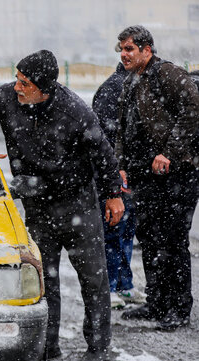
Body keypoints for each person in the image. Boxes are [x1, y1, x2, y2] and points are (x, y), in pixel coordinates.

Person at [0, 50, 124, 361]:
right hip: (38, 206)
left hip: (78, 203)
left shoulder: (75, 112)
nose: (17, 86)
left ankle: (99, 346)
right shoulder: (7, 97)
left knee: (93, 279)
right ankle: (48, 344)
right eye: (17, 78)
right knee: (44, 279)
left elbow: (103, 154)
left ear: (44, 88)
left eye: (25, 83)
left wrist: (113, 195)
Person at [115, 25, 199, 331]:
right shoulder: (131, 81)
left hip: (177, 175)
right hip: (145, 176)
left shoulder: (169, 74)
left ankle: (178, 308)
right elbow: (124, 127)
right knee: (149, 239)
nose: (123, 54)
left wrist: (171, 152)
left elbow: (193, 111)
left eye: (128, 49)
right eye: (121, 49)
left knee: (173, 241)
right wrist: (122, 164)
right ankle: (157, 302)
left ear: (146, 49)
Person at [92, 63, 145, 309]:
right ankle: (112, 286)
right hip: (117, 172)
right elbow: (105, 137)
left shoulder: (130, 86)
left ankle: (124, 285)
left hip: (128, 170)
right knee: (115, 228)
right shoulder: (115, 89)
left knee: (125, 229)